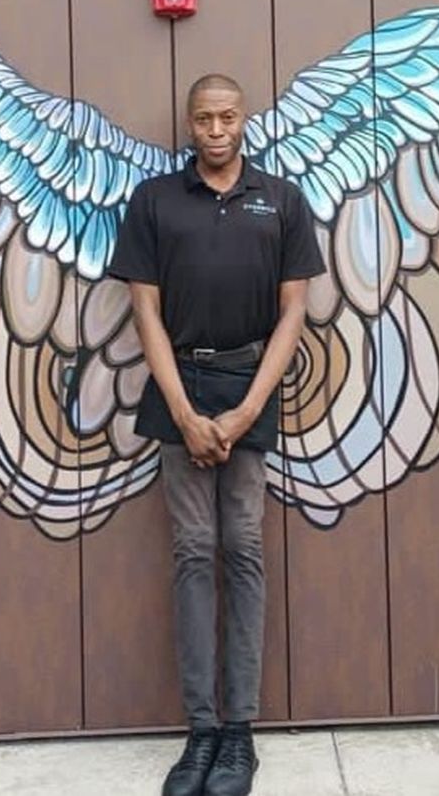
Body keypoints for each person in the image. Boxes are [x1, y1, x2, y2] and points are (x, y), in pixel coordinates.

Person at [107, 73, 325, 796]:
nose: (216, 130)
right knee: (194, 551)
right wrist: (184, 412)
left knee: (245, 549)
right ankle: (201, 731)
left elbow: (293, 314)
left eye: (228, 117)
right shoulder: (155, 201)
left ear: (244, 119)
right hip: (179, 390)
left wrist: (243, 411)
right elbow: (145, 312)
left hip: (250, 386)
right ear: (190, 124)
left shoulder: (282, 201)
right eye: (204, 119)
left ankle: (240, 734)